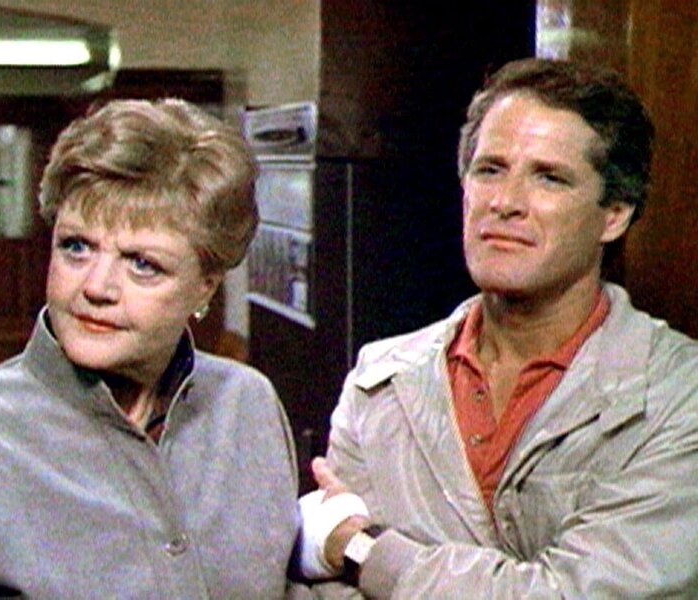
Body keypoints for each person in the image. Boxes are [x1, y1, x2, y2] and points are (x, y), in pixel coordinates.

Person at [296, 58, 698, 598]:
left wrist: (363, 549)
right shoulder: (381, 380)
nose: (504, 203)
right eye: (490, 170)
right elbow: (332, 594)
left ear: (615, 214)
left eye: (549, 177)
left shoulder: (679, 396)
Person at [0, 98, 300, 598]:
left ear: (205, 287)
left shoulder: (247, 404)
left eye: (142, 264)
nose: (96, 287)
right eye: (76, 247)